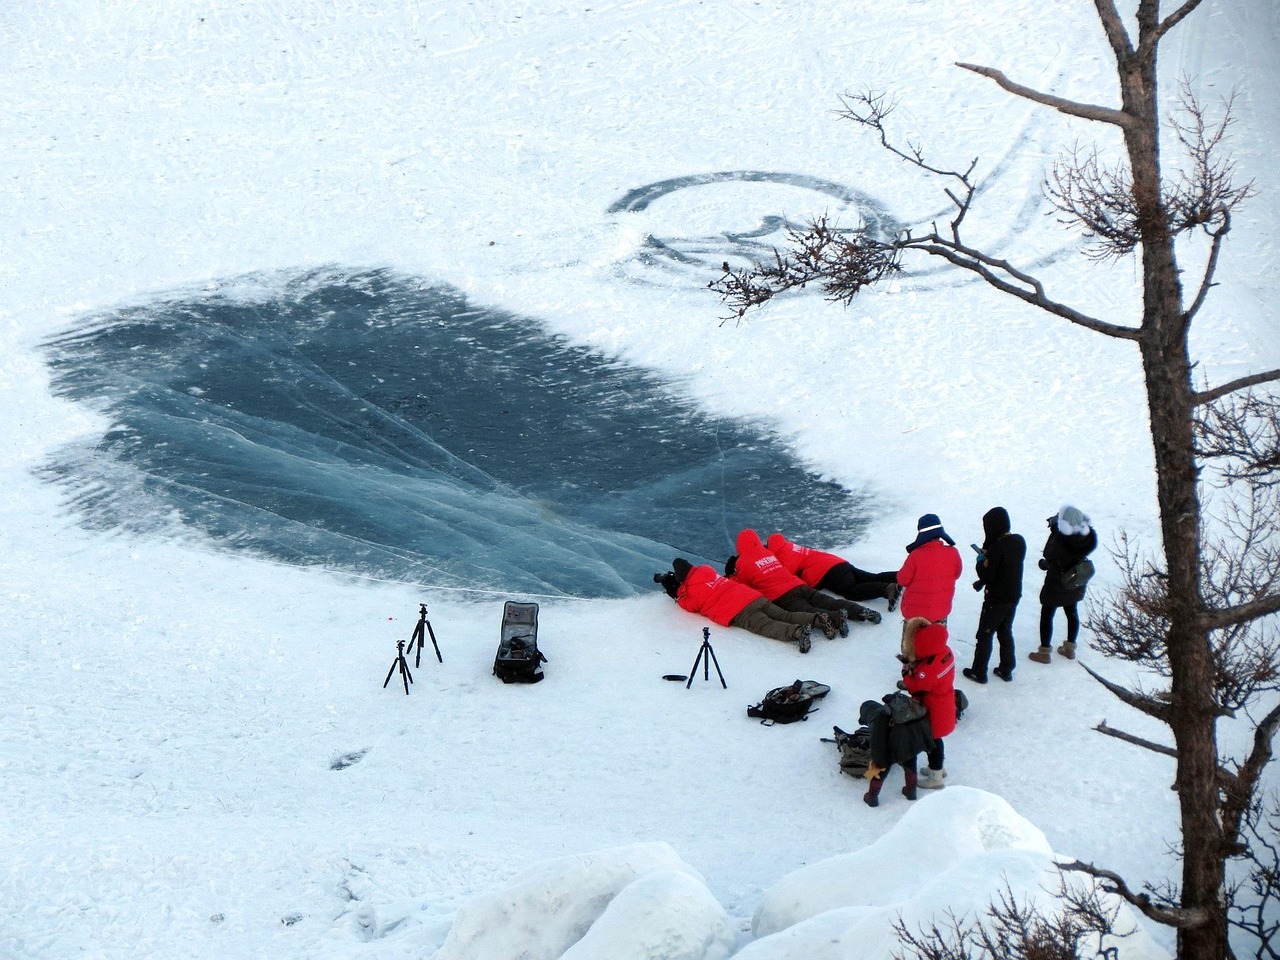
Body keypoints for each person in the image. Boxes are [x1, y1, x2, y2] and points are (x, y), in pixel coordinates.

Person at [727, 530, 882, 634]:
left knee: (807, 609)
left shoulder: (742, 563)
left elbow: (743, 586)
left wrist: (732, 575)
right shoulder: (768, 552)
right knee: (828, 601)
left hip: (782, 595)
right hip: (798, 584)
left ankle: (835, 618)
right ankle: (860, 611)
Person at [657, 558, 824, 653]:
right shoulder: (706, 570)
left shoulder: (691, 593)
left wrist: (677, 593)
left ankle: (797, 633)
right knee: (784, 615)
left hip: (739, 610)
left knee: (767, 625)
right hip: (753, 597)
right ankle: (819, 620)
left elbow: (690, 606)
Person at [963, 506, 1026, 684]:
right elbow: (1004, 568)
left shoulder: (997, 549)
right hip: (1013, 597)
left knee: (985, 634)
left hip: (996, 600)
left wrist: (981, 562)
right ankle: (1007, 669)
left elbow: (988, 574)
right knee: (1005, 631)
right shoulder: (1018, 541)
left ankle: (979, 671)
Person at [1029, 505, 1098, 664]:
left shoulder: (1060, 538)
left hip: (1057, 582)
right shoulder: (1087, 538)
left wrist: (1054, 532)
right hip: (1075, 582)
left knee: (1047, 613)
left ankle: (1044, 652)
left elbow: (1049, 554)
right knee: (1071, 611)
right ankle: (1070, 648)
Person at [765, 532, 903, 609]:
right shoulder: (788, 546)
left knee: (851, 591)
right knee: (871, 577)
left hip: (828, 572)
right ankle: (904, 576)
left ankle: (887, 589)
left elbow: (787, 579)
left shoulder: (784, 557)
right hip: (837, 562)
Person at [900, 615, 957, 789]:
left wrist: (906, 674)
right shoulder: (945, 652)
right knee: (937, 742)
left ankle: (936, 776)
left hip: (933, 711)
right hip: (944, 703)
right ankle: (938, 769)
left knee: (932, 743)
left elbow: (917, 687)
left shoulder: (929, 669)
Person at [859, 695, 935, 807]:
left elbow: (878, 747)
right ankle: (911, 791)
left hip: (894, 746)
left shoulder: (877, 720)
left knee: (881, 767)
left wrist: (878, 762)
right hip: (911, 741)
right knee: (910, 760)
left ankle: (872, 797)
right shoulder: (893, 710)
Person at [897, 514, 963, 625]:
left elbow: (903, 580)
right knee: (937, 641)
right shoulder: (953, 552)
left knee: (911, 642)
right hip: (940, 612)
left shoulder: (915, 555)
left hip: (915, 615)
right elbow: (957, 574)